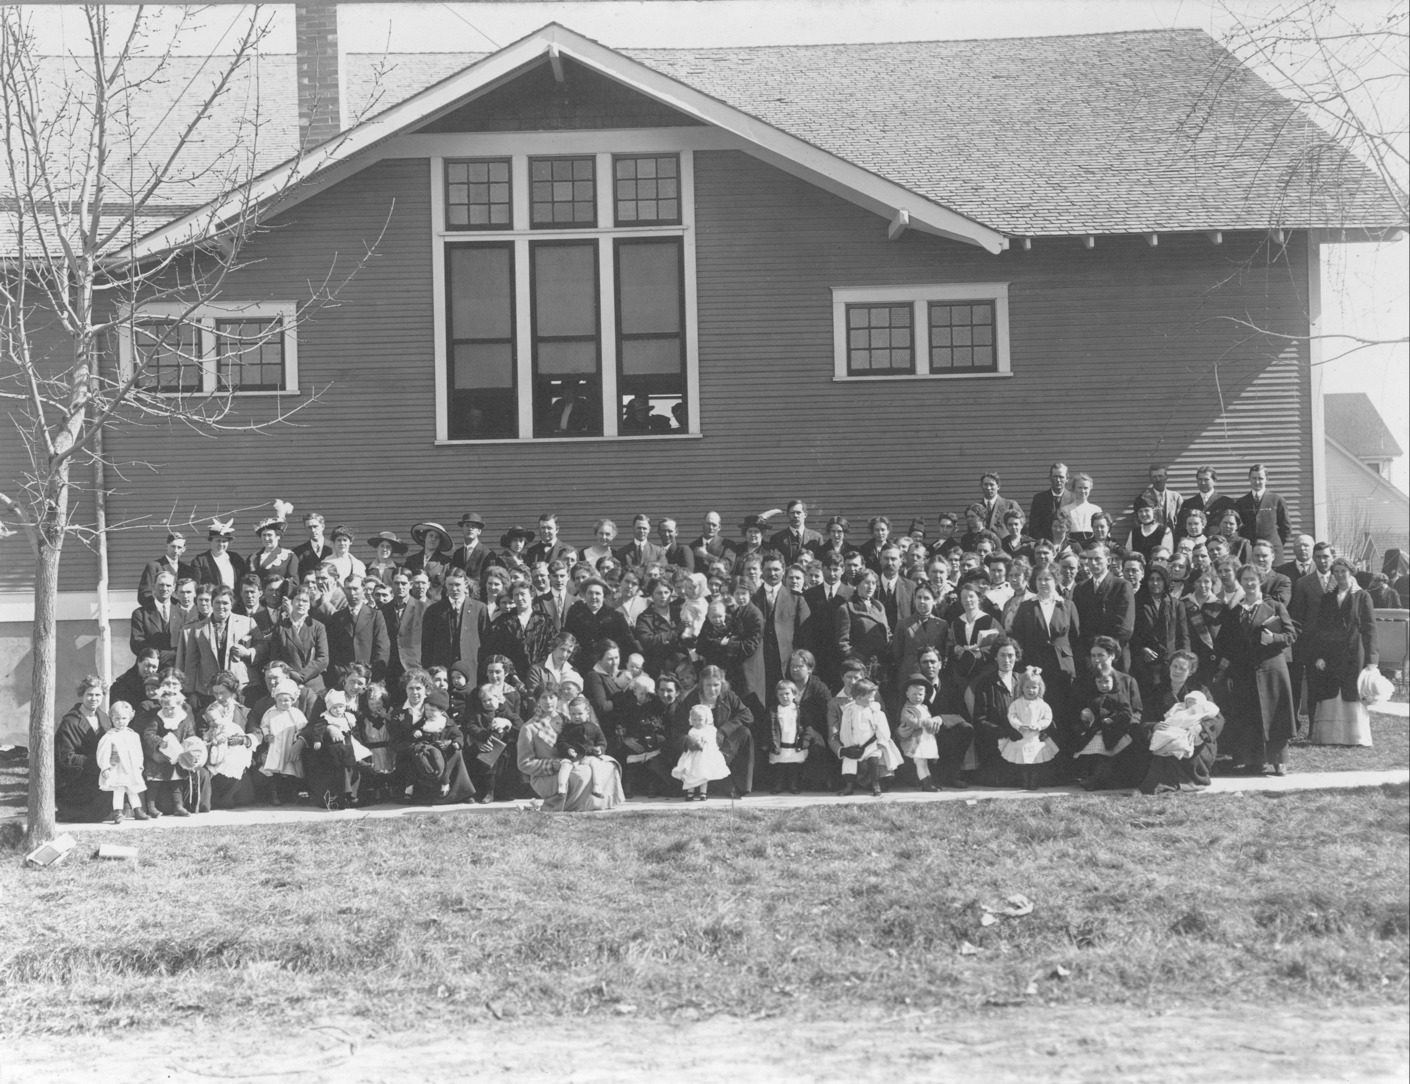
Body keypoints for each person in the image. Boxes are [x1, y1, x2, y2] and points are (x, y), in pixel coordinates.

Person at [1213, 564, 1297, 775]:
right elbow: (1228, 645)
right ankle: (1253, 760)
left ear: (1260, 581)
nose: (1249, 583)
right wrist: (1228, 671)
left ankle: (1279, 760)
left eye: (1253, 579)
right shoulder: (1235, 611)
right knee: (1250, 716)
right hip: (1245, 672)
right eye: (1245, 579)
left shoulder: (1275, 606)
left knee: (1275, 714)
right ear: (1240, 582)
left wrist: (1274, 638)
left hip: (1272, 670)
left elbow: (1291, 635)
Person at [1307, 557, 1378, 747]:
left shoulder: (1362, 596)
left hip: (1354, 653)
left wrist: (1372, 659)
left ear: (1351, 572)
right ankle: (1331, 737)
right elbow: (1321, 629)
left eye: (1343, 571)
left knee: (1351, 692)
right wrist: (1320, 656)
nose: (1339, 575)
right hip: (1331, 655)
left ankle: (1354, 737)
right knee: (1331, 693)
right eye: (1336, 571)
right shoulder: (1328, 597)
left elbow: (1370, 629)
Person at [517, 687, 624, 811]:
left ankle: (598, 803)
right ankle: (573, 805)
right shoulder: (529, 728)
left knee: (609, 764)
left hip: (574, 761)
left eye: (552, 697)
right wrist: (552, 765)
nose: (548, 701)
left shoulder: (567, 718)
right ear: (537, 701)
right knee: (583, 774)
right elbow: (524, 763)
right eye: (543, 697)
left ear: (558, 698)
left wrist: (597, 749)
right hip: (547, 775)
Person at [1139, 650, 1225, 793]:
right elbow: (1145, 718)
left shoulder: (1200, 691)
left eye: (1182, 668)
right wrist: (1154, 726)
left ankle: (1182, 782)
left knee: (1179, 749)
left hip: (1196, 740)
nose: (1177, 671)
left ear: (1191, 671)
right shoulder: (1158, 691)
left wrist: (1201, 728)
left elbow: (1217, 718)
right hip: (1166, 737)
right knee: (1165, 748)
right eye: (1174, 666)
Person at [669, 664, 754, 798]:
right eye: (708, 685)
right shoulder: (691, 700)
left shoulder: (728, 696)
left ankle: (739, 785)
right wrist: (688, 740)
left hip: (722, 747)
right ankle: (705, 784)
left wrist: (723, 731)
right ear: (701, 685)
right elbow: (676, 730)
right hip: (699, 750)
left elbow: (747, 715)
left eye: (716, 685)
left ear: (722, 685)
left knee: (744, 732)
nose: (712, 689)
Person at [1071, 637, 1144, 790]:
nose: (1096, 659)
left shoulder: (1127, 680)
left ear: (1112, 655)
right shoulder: (1084, 681)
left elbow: (1136, 711)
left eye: (1100, 655)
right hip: (1093, 729)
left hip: (1122, 729)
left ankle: (1102, 779)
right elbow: (1077, 709)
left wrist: (1125, 726)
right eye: (1093, 655)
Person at [55, 675, 114, 822]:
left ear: (103, 696)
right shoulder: (70, 722)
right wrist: (99, 762)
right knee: (92, 815)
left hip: (100, 778)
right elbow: (66, 758)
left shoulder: (105, 719)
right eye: (90, 694)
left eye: (98, 695)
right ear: (82, 695)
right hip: (77, 782)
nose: (94, 698)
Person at [1073, 543, 1135, 672]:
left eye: (1097, 559)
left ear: (1108, 561)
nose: (1093, 563)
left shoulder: (1122, 586)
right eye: (1090, 559)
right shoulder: (1080, 588)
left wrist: (1105, 653)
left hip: (1114, 657)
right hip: (1088, 658)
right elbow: (1077, 625)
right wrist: (1089, 654)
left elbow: (1124, 628)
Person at [836, 678, 903, 797]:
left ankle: (876, 785)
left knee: (874, 762)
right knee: (849, 764)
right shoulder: (849, 711)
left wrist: (882, 741)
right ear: (858, 698)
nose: (873, 700)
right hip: (854, 745)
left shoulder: (875, 710)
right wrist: (847, 744)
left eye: (873, 697)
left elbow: (882, 727)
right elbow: (845, 728)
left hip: (871, 744)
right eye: (870, 697)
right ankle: (849, 786)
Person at [1003, 667, 1059, 790]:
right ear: (1022, 688)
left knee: (1035, 761)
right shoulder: (1017, 703)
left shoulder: (1043, 705)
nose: (1031, 690)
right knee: (1023, 761)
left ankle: (1033, 781)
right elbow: (1011, 715)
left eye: (1034, 687)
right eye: (1027, 687)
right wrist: (1018, 725)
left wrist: (1038, 725)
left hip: (1035, 737)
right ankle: (1024, 780)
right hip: (1022, 736)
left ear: (1039, 688)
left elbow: (1047, 718)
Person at [1131, 565, 1177, 704]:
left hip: (1169, 661)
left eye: (1159, 579)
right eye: (1151, 579)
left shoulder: (1176, 604)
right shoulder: (1137, 602)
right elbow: (1132, 631)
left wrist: (1183, 660)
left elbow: (1183, 635)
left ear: (1165, 582)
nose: (1155, 583)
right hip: (1146, 662)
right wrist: (1142, 648)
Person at [258, 677, 308, 804]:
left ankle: (291, 794)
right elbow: (264, 726)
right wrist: (267, 735)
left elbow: (302, 727)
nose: (282, 703)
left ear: (293, 700)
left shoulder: (296, 713)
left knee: (290, 770)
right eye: (279, 700)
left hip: (289, 746)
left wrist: (297, 738)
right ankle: (275, 795)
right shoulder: (270, 713)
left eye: (286, 700)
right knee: (274, 771)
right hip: (275, 747)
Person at [95, 700, 147, 823]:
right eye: (117, 719)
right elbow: (103, 753)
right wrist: (105, 767)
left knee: (133, 789)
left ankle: (138, 810)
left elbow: (138, 752)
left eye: (124, 718)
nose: (121, 722)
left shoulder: (133, 735)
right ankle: (117, 812)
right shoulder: (109, 736)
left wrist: (140, 766)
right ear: (111, 718)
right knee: (118, 790)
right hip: (117, 768)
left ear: (130, 718)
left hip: (131, 768)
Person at [671, 703, 733, 801]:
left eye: (700, 720)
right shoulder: (692, 731)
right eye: (694, 720)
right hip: (693, 757)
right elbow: (691, 742)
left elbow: (714, 741)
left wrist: (706, 741)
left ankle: (703, 793)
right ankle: (690, 793)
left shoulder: (711, 730)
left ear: (706, 719)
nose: (697, 722)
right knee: (690, 774)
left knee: (704, 774)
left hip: (705, 757)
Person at [1234, 464, 1293, 562]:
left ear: (1267, 479)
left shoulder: (1277, 500)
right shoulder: (1241, 502)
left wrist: (1275, 544)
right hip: (1249, 554)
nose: (1257, 482)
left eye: (1260, 478)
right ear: (1249, 479)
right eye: (1254, 478)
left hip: (1272, 553)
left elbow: (1286, 529)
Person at [896, 674, 942, 792]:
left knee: (924, 762)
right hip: (916, 742)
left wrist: (932, 724)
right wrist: (926, 722)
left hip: (925, 739)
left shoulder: (924, 707)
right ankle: (926, 785)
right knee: (920, 762)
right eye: (914, 694)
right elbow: (911, 722)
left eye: (920, 694)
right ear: (907, 694)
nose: (917, 697)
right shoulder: (907, 709)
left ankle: (929, 782)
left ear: (925, 695)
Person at [767, 678, 812, 794]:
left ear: (794, 695)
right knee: (780, 767)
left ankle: (794, 786)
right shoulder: (774, 711)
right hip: (780, 745)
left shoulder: (800, 711)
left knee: (794, 767)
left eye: (787, 693)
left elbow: (808, 727)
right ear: (777, 696)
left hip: (794, 745)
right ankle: (778, 785)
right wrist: (768, 743)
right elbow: (768, 728)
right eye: (781, 694)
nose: (784, 697)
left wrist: (805, 740)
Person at [189, 519, 248, 590]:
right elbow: (196, 585)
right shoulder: (200, 560)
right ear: (211, 541)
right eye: (218, 541)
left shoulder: (235, 558)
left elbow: (243, 579)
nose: (221, 544)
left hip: (233, 595)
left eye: (224, 541)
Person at [1029, 462, 1076, 546]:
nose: (1058, 480)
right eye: (1055, 476)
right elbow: (1033, 526)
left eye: (1061, 477)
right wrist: (1042, 543)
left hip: (1067, 546)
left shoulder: (1074, 499)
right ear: (1050, 478)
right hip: (1044, 545)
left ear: (1067, 478)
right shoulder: (1039, 498)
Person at [405, 521, 453, 600]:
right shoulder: (412, 560)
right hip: (414, 602)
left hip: (436, 603)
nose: (433, 539)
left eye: (437, 537)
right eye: (431, 535)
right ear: (424, 538)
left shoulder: (446, 562)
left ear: (440, 541)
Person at [1137, 464, 1182, 531]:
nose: (1158, 479)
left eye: (1160, 476)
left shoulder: (1176, 497)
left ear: (1166, 477)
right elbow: (1138, 522)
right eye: (1154, 477)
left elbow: (1182, 521)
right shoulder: (1143, 497)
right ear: (1150, 478)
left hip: (1171, 535)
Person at [1062, 473, 1102, 548]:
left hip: (1092, 547)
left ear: (1090, 488)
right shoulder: (1065, 510)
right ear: (1074, 489)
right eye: (1079, 488)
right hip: (1072, 547)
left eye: (1086, 488)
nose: (1083, 491)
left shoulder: (1096, 509)